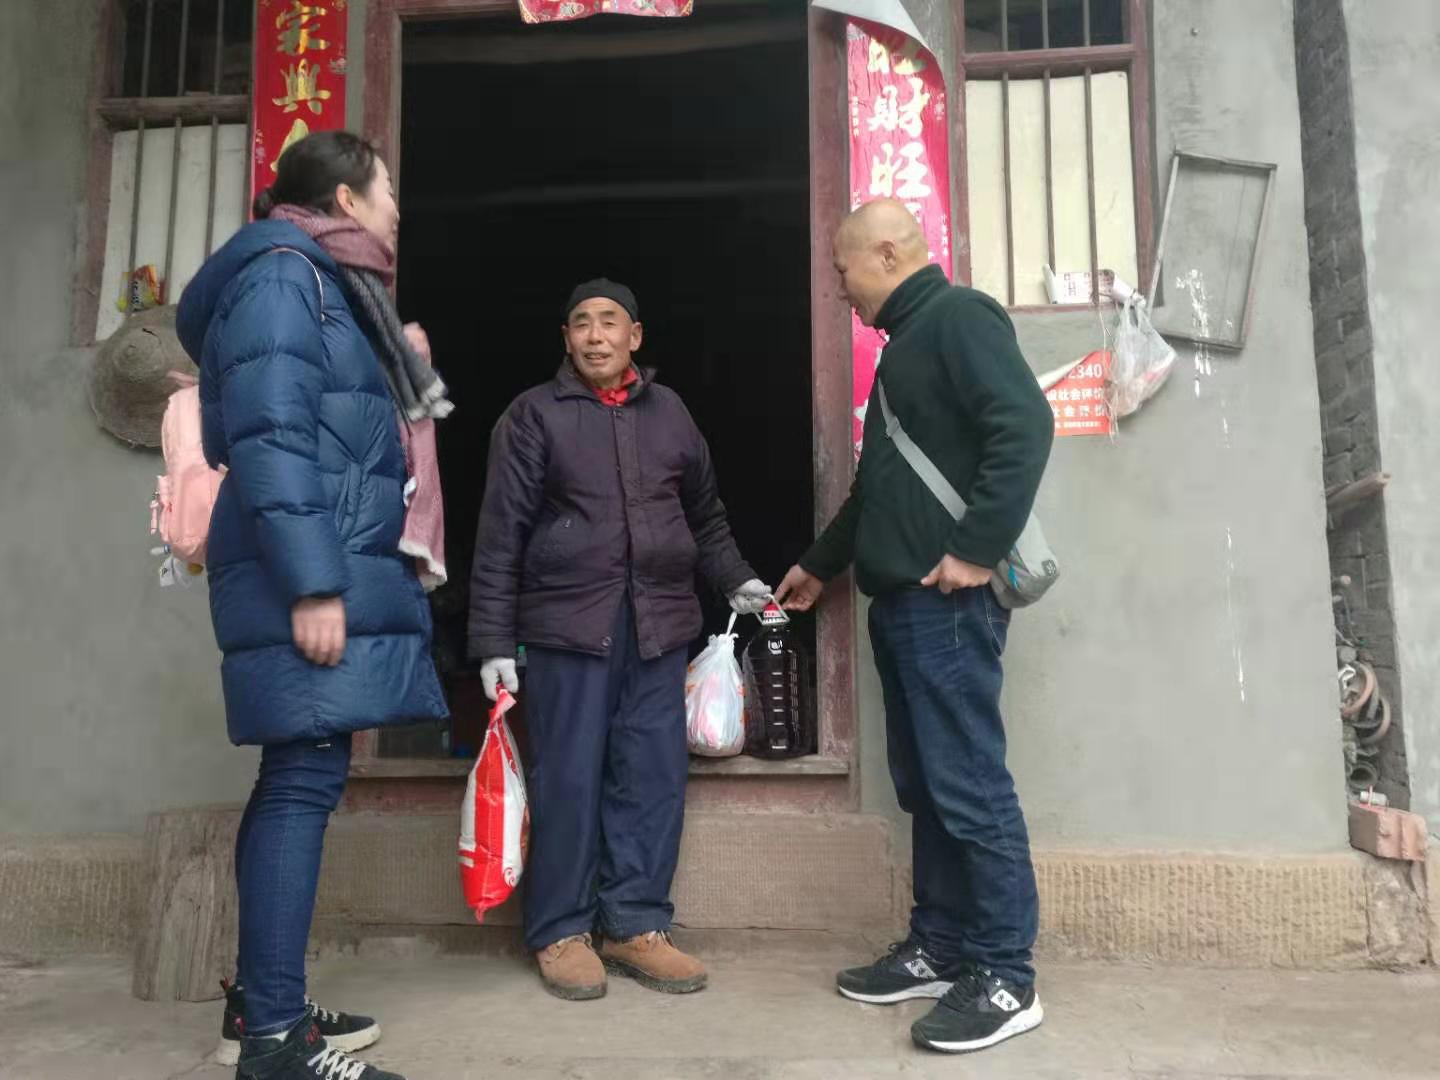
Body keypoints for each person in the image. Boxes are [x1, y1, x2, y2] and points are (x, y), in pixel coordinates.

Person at [176, 130, 451, 1080]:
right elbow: (271, 433)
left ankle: (264, 1004)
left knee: (295, 775)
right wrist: (314, 583)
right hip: (300, 568)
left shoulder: (319, 283)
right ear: (344, 199)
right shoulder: (286, 276)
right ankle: (275, 1043)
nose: (396, 209)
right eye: (387, 189)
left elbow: (324, 419)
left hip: (308, 558)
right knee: (302, 781)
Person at [775, 198, 1054, 1055]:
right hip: (901, 607)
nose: (840, 288)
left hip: (949, 606)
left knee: (969, 787)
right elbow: (877, 491)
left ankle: (1005, 974)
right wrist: (820, 564)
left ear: (889, 255)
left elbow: (1026, 425)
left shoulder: (961, 318)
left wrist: (975, 548)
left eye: (843, 270)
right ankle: (940, 946)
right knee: (928, 788)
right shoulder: (903, 349)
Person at [468, 278, 770, 1001]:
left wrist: (736, 578)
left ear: (635, 336)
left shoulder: (670, 414)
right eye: (581, 324)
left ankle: (635, 925)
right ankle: (561, 930)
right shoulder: (533, 415)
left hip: (659, 625)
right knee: (568, 779)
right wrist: (493, 641)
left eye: (610, 323)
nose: (595, 335)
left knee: (652, 777)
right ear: (566, 339)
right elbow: (501, 535)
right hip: (568, 628)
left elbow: (705, 515)